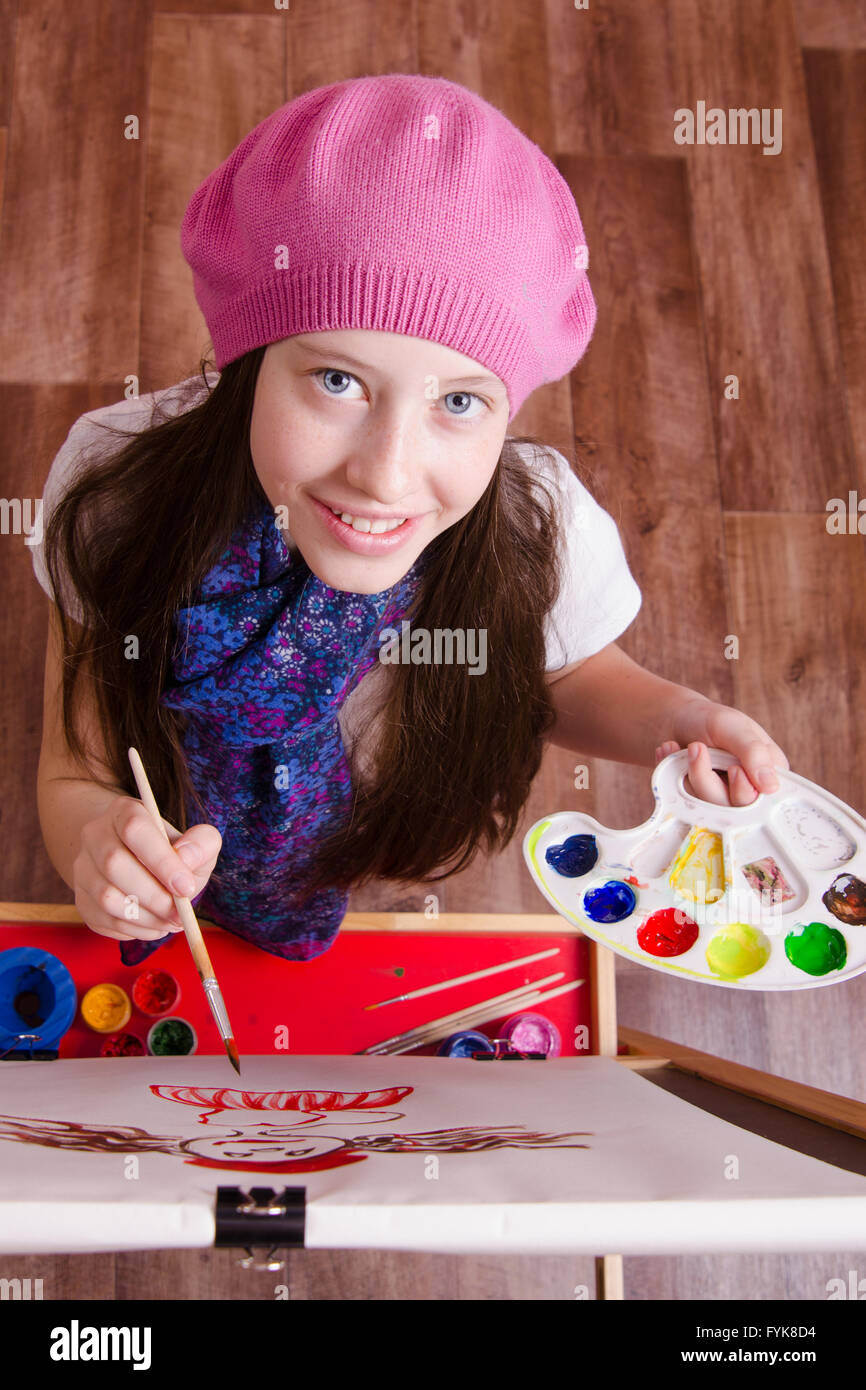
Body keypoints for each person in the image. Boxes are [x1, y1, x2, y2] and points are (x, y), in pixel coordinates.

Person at [33, 73, 788, 965]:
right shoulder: (120, 489)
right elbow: (76, 763)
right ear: (249, 356)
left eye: (459, 403)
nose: (385, 475)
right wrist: (94, 835)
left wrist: (682, 719)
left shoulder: (537, 526)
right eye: (337, 381)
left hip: (383, 821)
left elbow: (567, 676)